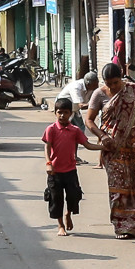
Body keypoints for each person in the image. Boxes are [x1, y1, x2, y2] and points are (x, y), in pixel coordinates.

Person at [88, 63, 135, 238]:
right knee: (117, 187)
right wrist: (102, 136)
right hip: (111, 148)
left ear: (122, 77)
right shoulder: (98, 94)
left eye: (115, 83)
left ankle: (134, 222)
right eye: (109, 83)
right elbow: (89, 121)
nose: (113, 87)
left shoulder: (133, 91)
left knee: (131, 184)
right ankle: (121, 224)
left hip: (133, 145)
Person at [43, 97, 97, 236]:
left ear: (70, 114)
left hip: (70, 171)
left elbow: (87, 145)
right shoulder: (51, 129)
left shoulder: (75, 130)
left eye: (66, 112)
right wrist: (49, 164)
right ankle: (60, 225)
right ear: (55, 113)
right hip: (55, 172)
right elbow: (47, 147)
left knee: (74, 196)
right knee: (56, 199)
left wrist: (104, 147)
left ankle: (68, 213)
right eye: (59, 112)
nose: (62, 115)